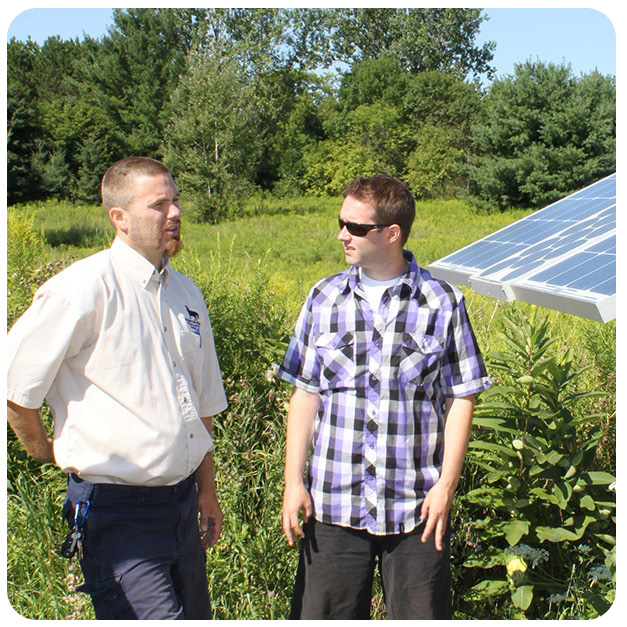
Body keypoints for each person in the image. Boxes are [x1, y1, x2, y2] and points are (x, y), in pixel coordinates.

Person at [7, 157, 228, 620]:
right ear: (119, 218)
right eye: (159, 205)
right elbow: (15, 387)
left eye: (176, 200)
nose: (174, 214)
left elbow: (201, 403)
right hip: (119, 514)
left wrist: (206, 489)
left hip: (182, 506)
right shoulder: (82, 289)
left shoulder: (186, 293)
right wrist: (45, 449)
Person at [278, 174, 491, 620]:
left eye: (355, 227)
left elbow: (461, 398)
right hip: (333, 504)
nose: (342, 235)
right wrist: (293, 482)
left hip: (418, 507)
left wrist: (446, 487)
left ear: (391, 234)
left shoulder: (443, 303)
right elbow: (305, 393)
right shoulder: (323, 298)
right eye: (342, 222)